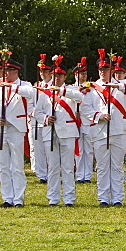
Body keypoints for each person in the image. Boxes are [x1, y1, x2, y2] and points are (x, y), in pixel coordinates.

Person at [84, 50, 126, 207]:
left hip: (119, 130)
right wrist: (99, 116)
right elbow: (86, 108)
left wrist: (117, 85)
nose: (102, 72)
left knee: (117, 166)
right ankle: (103, 198)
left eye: (106, 69)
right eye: (100, 69)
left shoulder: (122, 86)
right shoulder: (92, 88)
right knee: (102, 166)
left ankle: (117, 198)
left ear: (112, 70)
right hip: (100, 131)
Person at [34, 55, 86, 206]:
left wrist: (61, 92)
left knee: (68, 167)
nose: (57, 78)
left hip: (68, 132)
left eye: (60, 75)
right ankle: (53, 198)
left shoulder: (70, 89)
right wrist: (45, 119)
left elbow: (79, 97)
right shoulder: (44, 93)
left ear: (64, 76)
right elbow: (37, 112)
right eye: (55, 75)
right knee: (52, 167)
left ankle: (69, 198)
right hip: (50, 132)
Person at [0, 55, 35, 207]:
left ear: (16, 71)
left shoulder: (24, 85)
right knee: (4, 165)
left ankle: (18, 198)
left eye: (9, 70)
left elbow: (30, 93)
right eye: (4, 70)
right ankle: (7, 197)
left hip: (16, 128)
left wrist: (12, 86)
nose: (6, 73)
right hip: (0, 127)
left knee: (17, 165)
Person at [31, 54, 54, 184]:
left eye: (45, 71)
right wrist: (34, 114)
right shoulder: (35, 86)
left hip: (49, 122)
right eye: (41, 71)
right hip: (36, 121)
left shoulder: (53, 87)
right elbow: (29, 105)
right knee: (38, 149)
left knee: (49, 149)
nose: (43, 74)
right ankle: (42, 174)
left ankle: (52, 172)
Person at [72, 58, 94, 183]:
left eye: (85, 74)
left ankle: (88, 175)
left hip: (88, 121)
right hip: (76, 120)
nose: (83, 76)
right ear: (76, 74)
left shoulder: (91, 88)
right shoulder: (71, 88)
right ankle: (80, 175)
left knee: (89, 149)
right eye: (81, 73)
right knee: (79, 149)